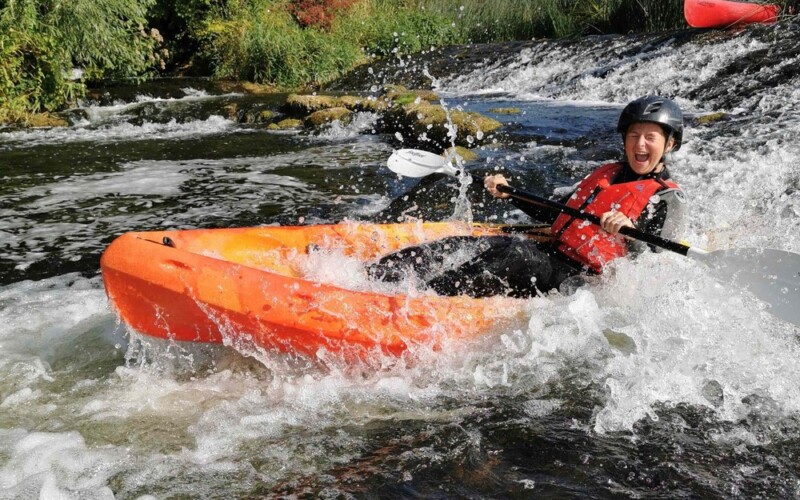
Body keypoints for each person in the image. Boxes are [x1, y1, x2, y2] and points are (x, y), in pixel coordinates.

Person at [368, 96, 688, 298]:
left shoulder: (667, 199)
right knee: (471, 244)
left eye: (650, 137)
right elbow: (558, 215)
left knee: (517, 255)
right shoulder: (609, 173)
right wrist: (508, 193)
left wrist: (631, 232)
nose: (640, 145)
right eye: (634, 136)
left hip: (582, 281)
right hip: (552, 251)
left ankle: (418, 300)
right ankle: (374, 275)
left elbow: (656, 264)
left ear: (669, 144)